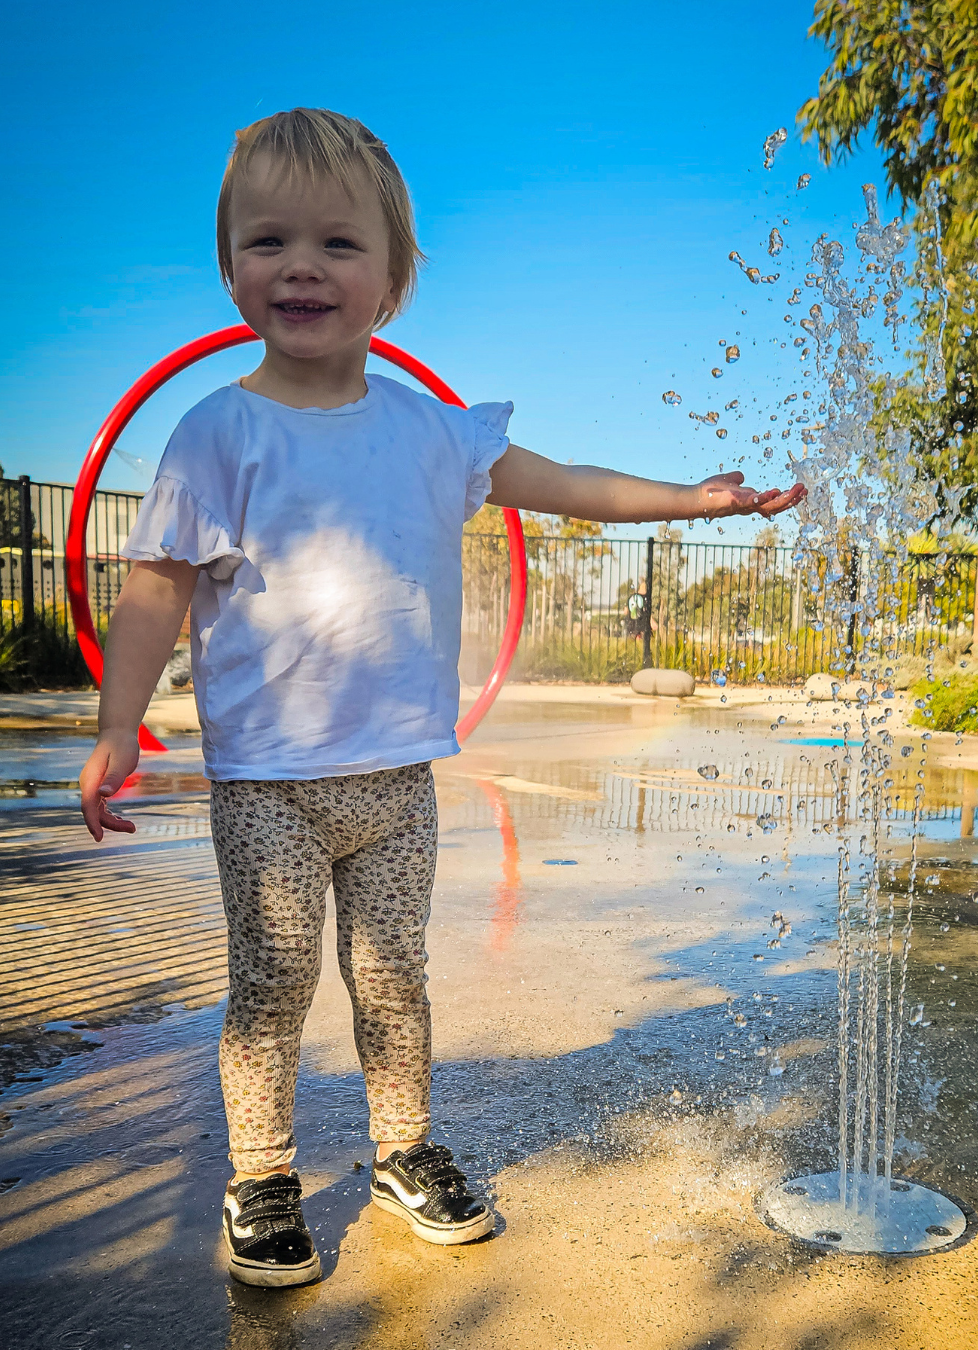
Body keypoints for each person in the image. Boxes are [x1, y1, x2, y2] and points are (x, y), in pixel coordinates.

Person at [78, 108, 806, 1288]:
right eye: (267, 242)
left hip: (398, 782)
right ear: (229, 266)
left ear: (395, 280)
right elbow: (156, 588)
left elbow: (568, 483)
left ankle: (403, 1150)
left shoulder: (432, 431)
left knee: (394, 975)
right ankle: (261, 1174)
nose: (301, 268)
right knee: (271, 981)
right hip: (269, 782)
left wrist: (697, 501)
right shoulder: (214, 434)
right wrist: (120, 723)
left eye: (337, 245)